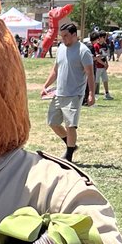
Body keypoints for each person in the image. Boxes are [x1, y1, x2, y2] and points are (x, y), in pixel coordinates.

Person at [40, 22, 94, 162]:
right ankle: (70, 145)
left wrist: (91, 94)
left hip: (74, 95)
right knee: (53, 122)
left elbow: (90, 74)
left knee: (70, 125)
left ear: (75, 35)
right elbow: (55, 70)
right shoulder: (61, 49)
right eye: (61, 36)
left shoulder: (83, 51)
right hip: (59, 93)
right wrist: (46, 86)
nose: (63, 39)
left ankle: (69, 156)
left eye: (66, 36)